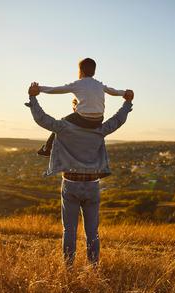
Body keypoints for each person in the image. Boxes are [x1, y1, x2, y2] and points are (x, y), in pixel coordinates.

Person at [25, 82, 134, 267]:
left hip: (70, 183)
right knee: (92, 231)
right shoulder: (99, 129)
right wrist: (127, 102)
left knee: (69, 230)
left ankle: (68, 268)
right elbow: (118, 120)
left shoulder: (64, 127)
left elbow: (42, 119)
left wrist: (33, 98)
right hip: (92, 184)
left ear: (77, 108)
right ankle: (93, 267)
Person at [36, 58, 133, 156]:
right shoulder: (99, 84)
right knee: (72, 118)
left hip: (83, 119)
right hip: (98, 120)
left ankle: (47, 148)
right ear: (94, 72)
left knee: (61, 124)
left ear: (80, 71)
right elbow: (113, 91)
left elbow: (56, 90)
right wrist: (124, 93)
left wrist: (39, 89)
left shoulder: (78, 84)